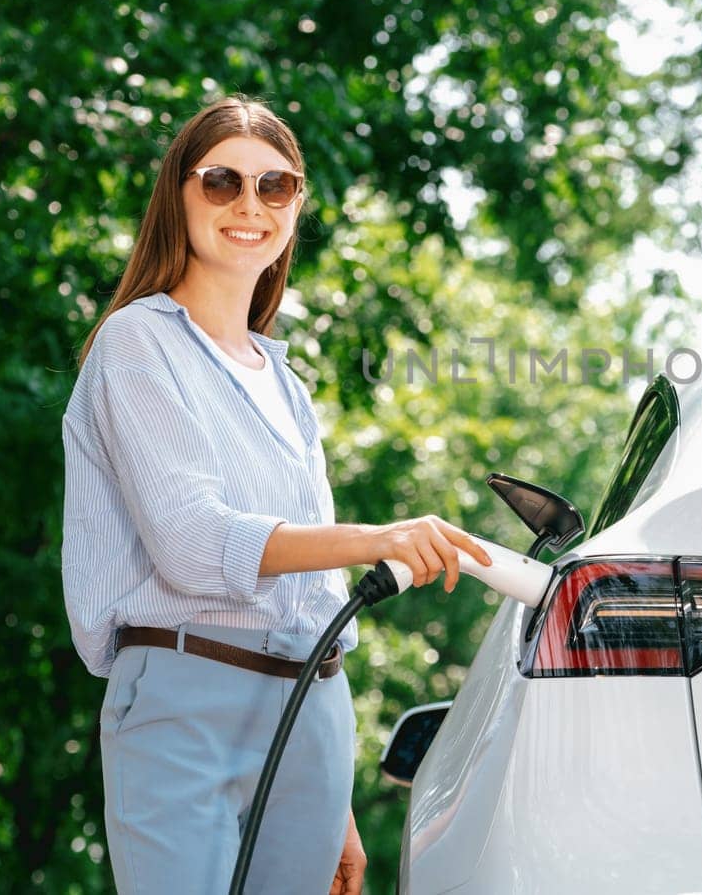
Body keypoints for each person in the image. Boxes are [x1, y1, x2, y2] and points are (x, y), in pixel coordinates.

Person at [61, 96, 491, 895]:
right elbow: (193, 542)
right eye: (221, 181)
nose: (249, 205)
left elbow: (309, 595)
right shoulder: (136, 342)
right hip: (186, 698)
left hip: (311, 716)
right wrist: (380, 538)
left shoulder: (285, 381)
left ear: (296, 204)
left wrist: (338, 807)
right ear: (178, 196)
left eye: (276, 185)